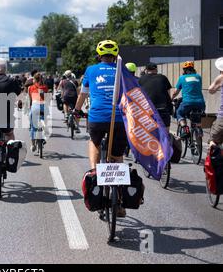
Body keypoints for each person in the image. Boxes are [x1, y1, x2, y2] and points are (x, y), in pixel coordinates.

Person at [74, 40, 127, 217]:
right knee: (118, 156)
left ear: (99, 55)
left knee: (94, 142)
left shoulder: (91, 70)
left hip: (96, 117)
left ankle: (95, 172)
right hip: (118, 118)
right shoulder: (123, 70)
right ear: (115, 55)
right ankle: (119, 201)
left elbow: (83, 93)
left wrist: (76, 110)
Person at [172, 61, 206, 138]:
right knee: (198, 116)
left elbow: (175, 92)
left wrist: (171, 98)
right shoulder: (198, 77)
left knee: (179, 113)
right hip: (201, 103)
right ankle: (199, 129)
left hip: (187, 102)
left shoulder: (182, 78)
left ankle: (186, 129)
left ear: (184, 70)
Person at [138, 63, 173, 130]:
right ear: (156, 69)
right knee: (166, 131)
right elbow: (168, 94)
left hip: (148, 109)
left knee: (149, 132)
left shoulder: (141, 79)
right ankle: (166, 137)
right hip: (162, 108)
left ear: (146, 70)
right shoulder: (163, 77)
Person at [28, 73, 49, 153]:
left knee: (33, 127)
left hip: (34, 106)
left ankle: (33, 145)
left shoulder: (30, 87)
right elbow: (46, 98)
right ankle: (44, 132)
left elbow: (30, 100)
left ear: (34, 79)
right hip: (43, 107)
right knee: (44, 119)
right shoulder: (45, 87)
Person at [208, 58, 223, 147]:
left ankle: (212, 160)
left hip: (222, 117)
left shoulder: (221, 77)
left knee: (213, 140)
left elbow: (211, 90)